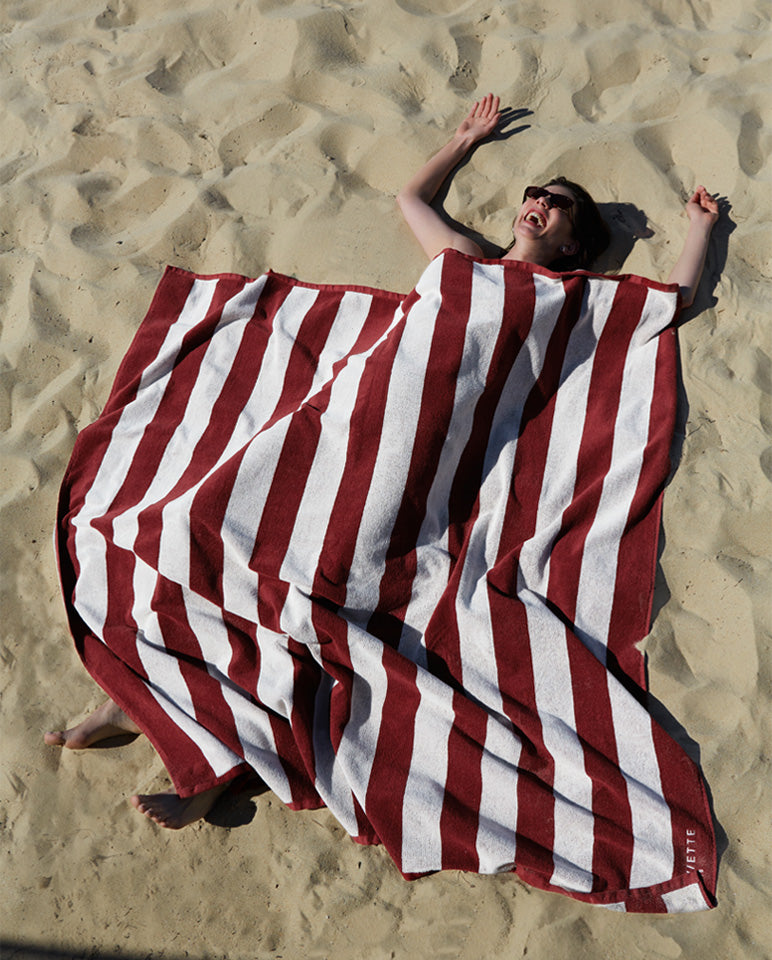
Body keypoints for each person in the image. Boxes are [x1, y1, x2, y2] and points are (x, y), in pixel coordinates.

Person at [45, 92, 720, 833]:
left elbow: (675, 300)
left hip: (412, 452)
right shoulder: (463, 257)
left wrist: (700, 227)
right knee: (199, 521)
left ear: (570, 242)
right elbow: (410, 196)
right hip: (346, 414)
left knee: (311, 588)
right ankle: (143, 697)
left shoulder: (571, 299)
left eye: (556, 204)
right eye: (534, 193)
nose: (537, 203)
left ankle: (209, 764)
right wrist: (464, 140)